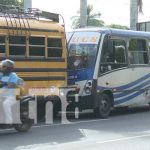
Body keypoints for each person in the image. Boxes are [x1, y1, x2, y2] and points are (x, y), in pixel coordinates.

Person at [0, 59, 18, 124]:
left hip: (13, 95)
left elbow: (11, 85)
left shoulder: (13, 75)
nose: (2, 68)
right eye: (2, 66)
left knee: (6, 104)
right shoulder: (1, 75)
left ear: (9, 68)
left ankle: (9, 120)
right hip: (3, 94)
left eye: (4, 67)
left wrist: (3, 84)